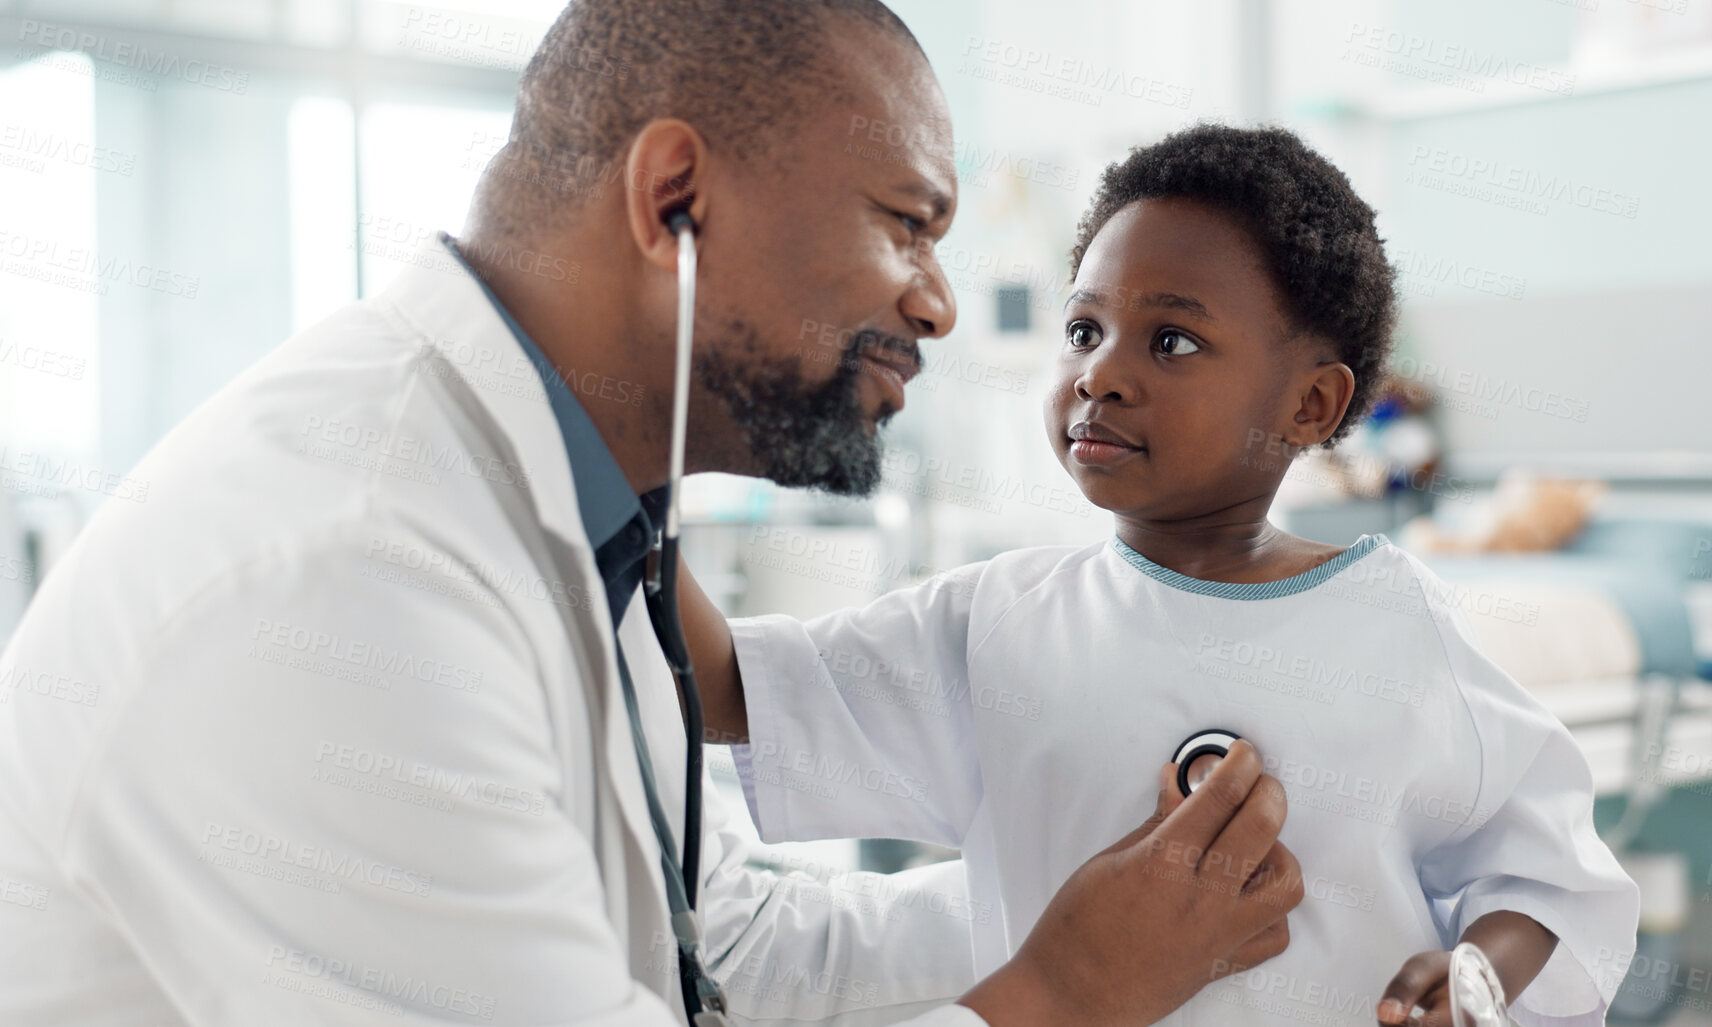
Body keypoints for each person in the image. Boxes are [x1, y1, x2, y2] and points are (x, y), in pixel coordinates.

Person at [0, 4, 1306, 1025]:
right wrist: (1068, 993)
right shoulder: (342, 578)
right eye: (907, 223)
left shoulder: (579, 519)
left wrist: (1105, 900)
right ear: (674, 197)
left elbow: (715, 949)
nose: (937, 304)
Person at [680, 125, 1642, 1027]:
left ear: (1309, 403)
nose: (1101, 373)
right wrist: (609, 464)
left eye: (1170, 341)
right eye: (1082, 329)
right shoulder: (998, 620)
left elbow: (1542, 876)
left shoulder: (1400, 627)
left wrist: (1475, 973)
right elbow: (728, 688)